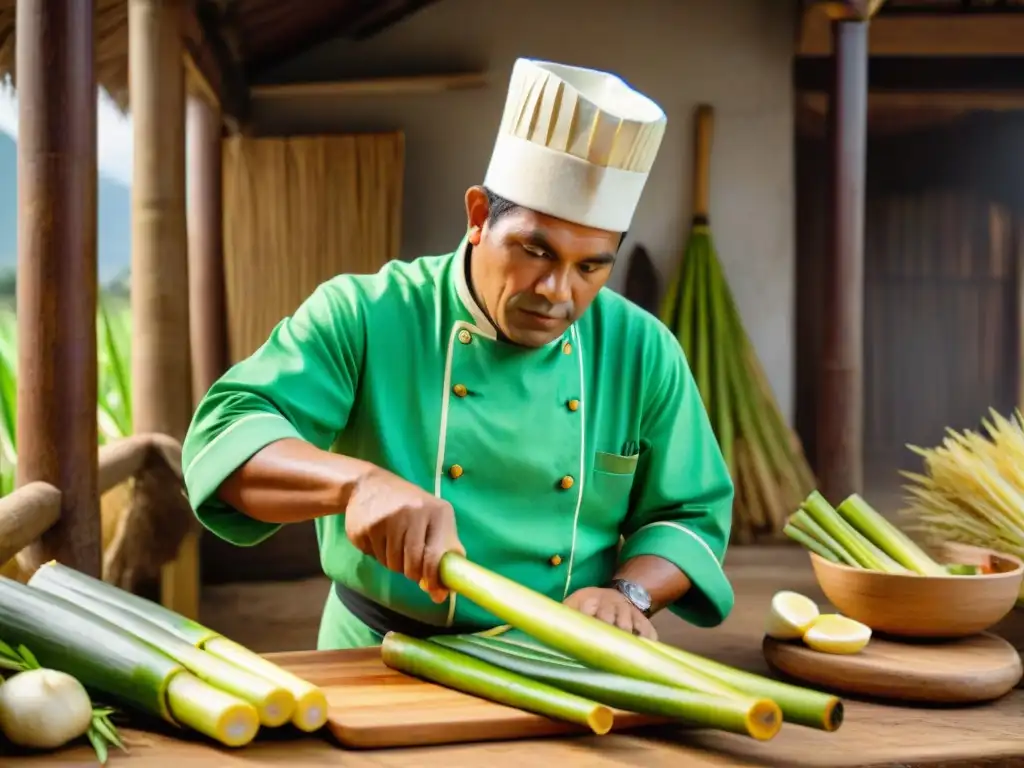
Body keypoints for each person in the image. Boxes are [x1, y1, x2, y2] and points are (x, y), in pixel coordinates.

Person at [181, 57, 735, 651]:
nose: (557, 292)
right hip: (375, 656)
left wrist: (628, 594)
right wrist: (357, 484)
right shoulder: (366, 315)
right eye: (535, 251)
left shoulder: (642, 350)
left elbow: (690, 516)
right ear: (477, 217)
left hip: (563, 662)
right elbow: (224, 438)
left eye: (591, 267)